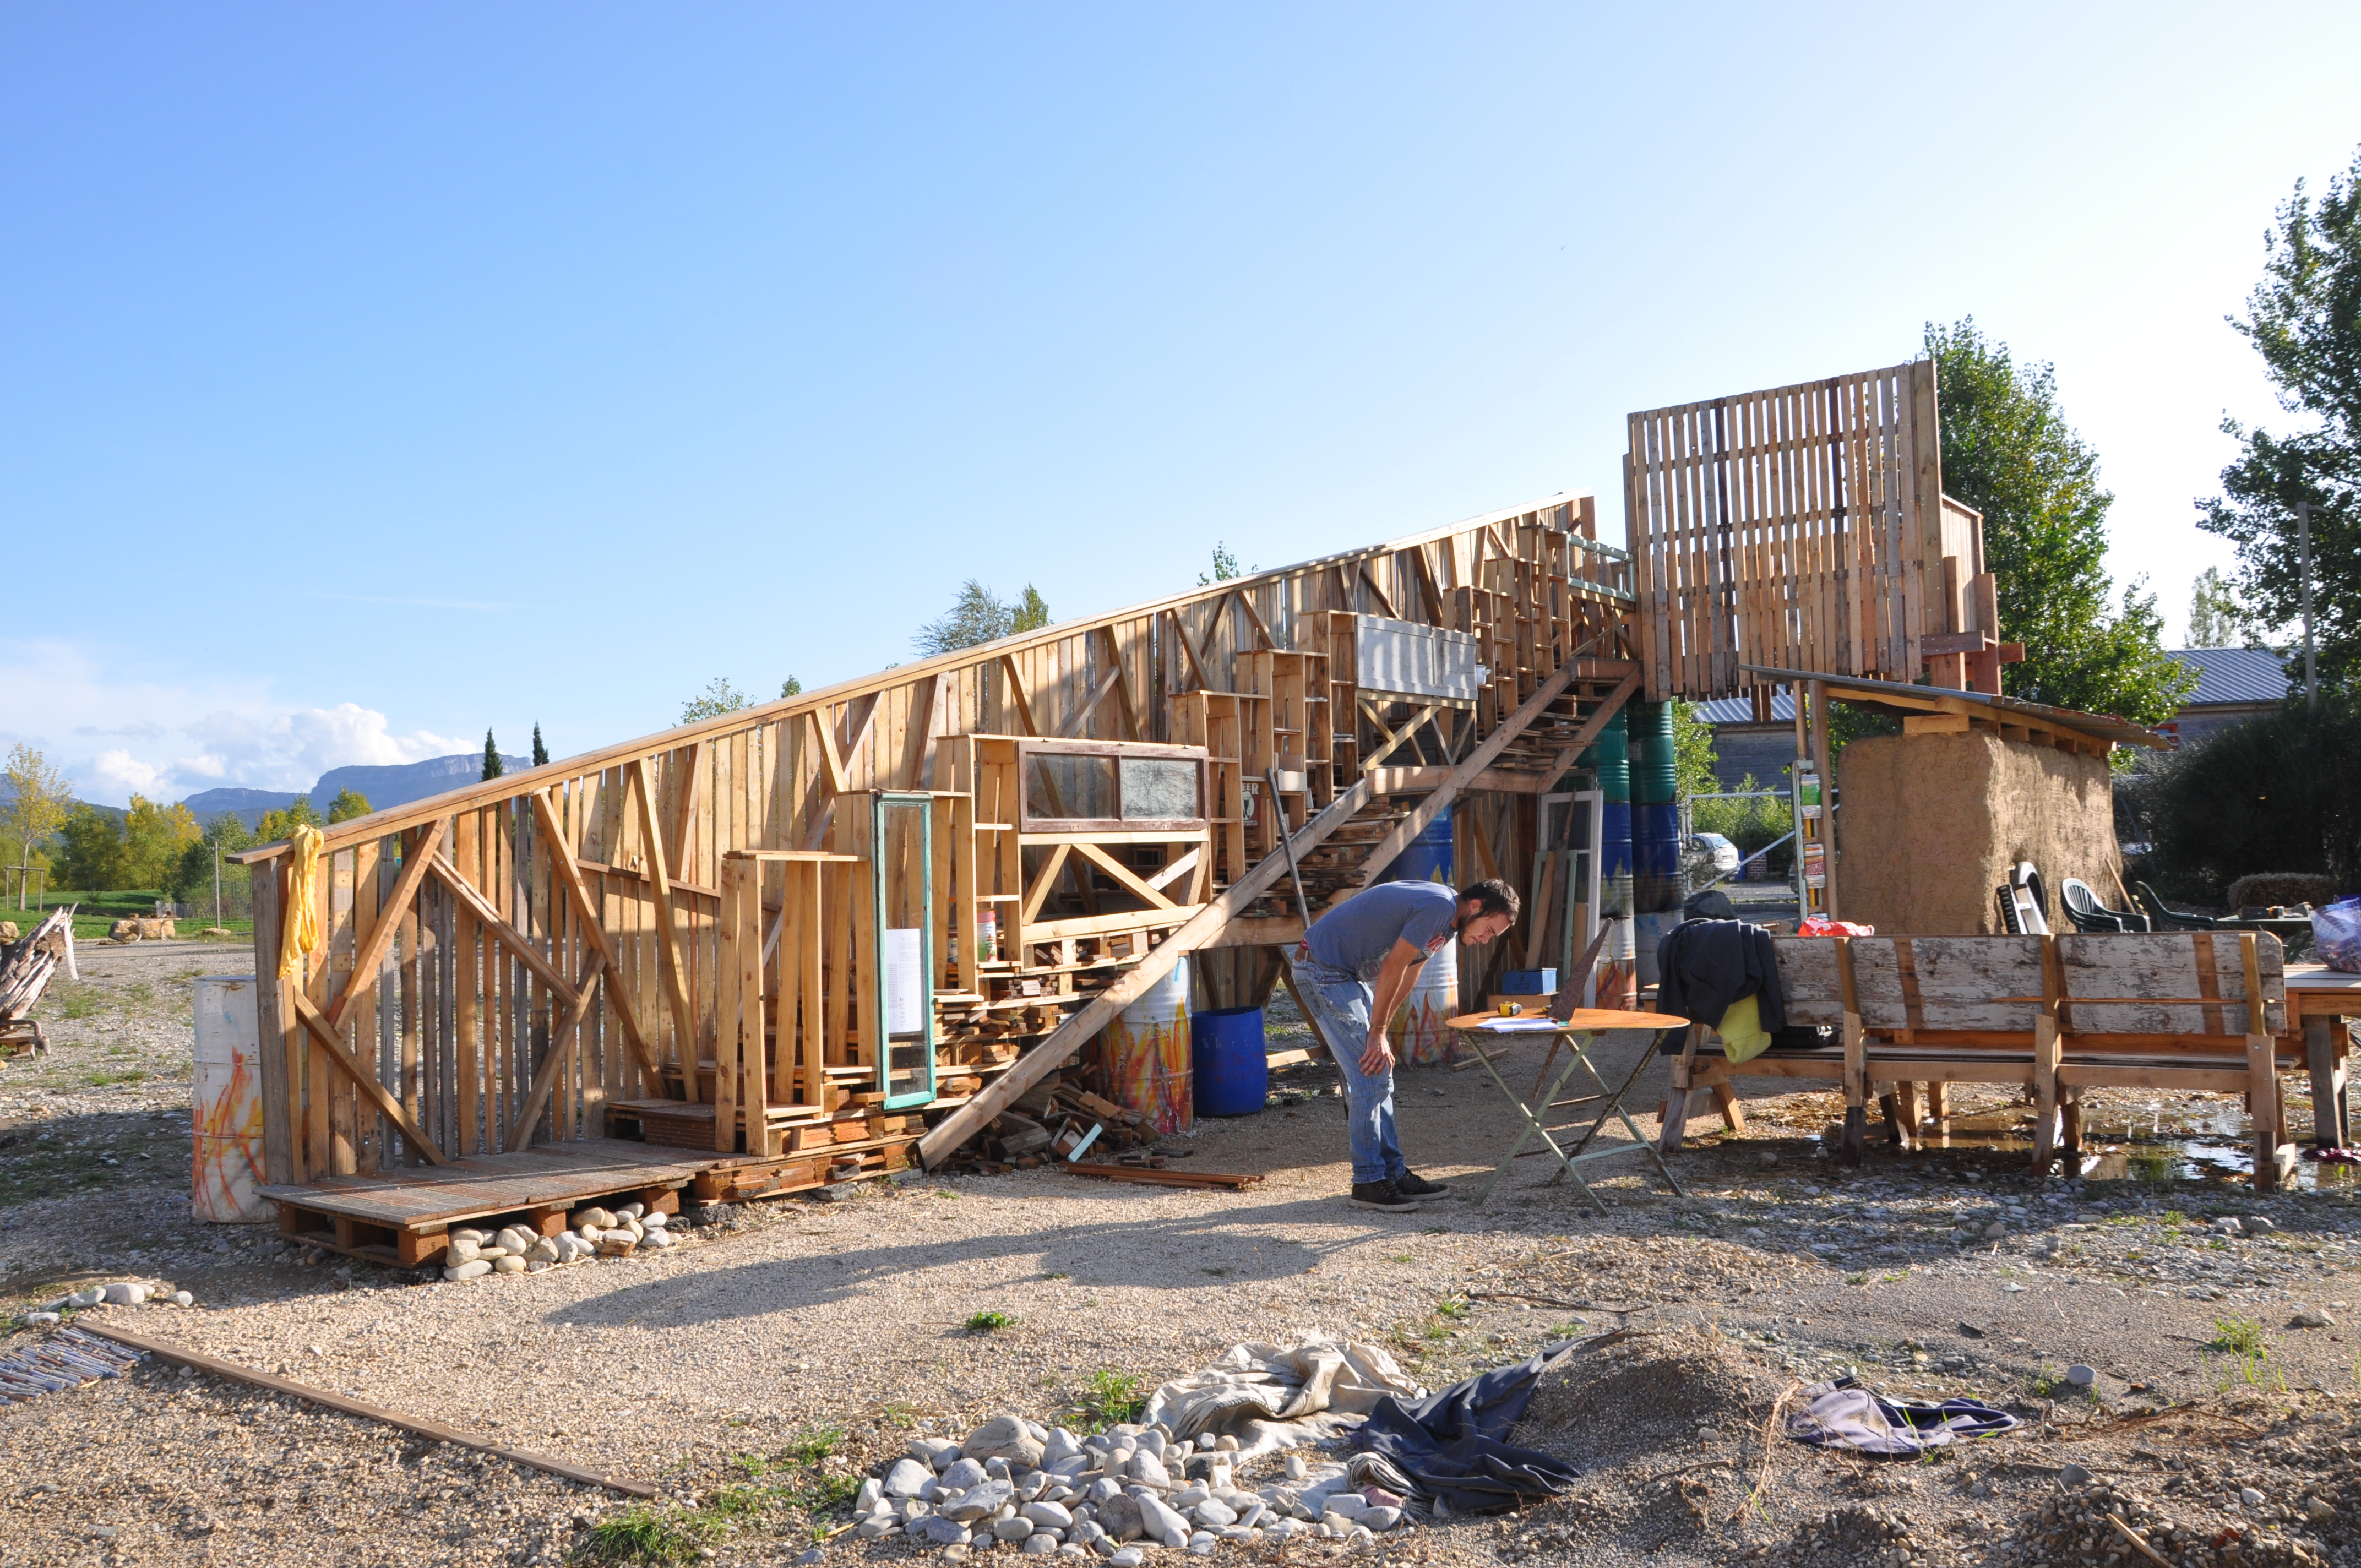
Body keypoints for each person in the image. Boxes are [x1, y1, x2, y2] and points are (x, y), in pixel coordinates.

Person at [1288, 878, 1521, 1211]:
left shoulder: (1450, 922)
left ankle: (1393, 1173)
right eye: (1489, 930)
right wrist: (1377, 1031)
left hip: (1341, 975)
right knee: (1368, 1075)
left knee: (1379, 1071)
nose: (1486, 940)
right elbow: (1392, 966)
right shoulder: (1440, 907)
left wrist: (1380, 1030)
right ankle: (1368, 1182)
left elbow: (1412, 969)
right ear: (1476, 906)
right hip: (1322, 971)